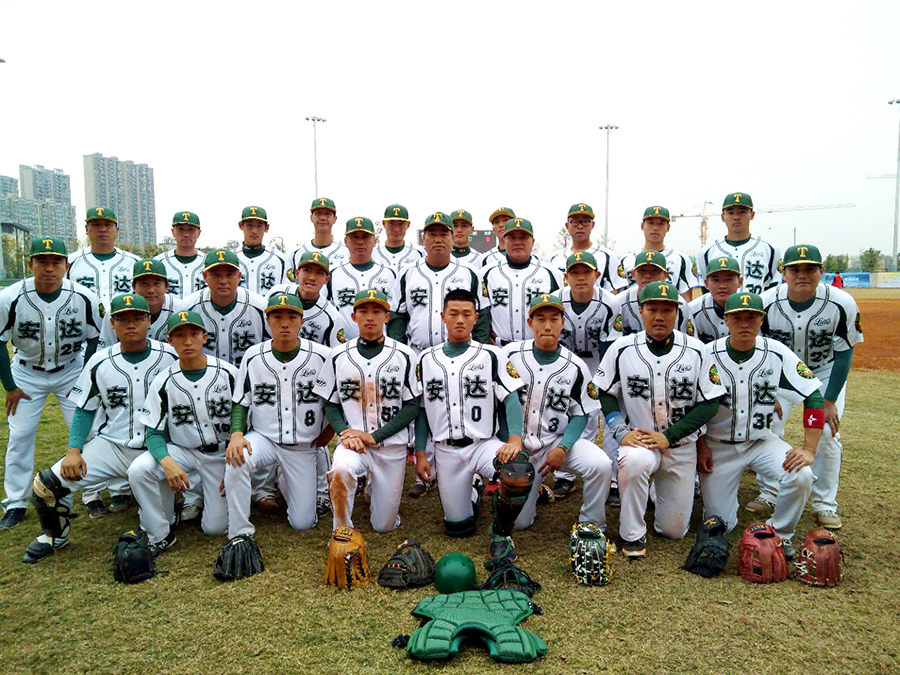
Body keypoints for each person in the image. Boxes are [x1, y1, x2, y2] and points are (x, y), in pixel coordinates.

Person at [20, 293, 176, 561]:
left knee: (165, 523)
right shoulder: (99, 360)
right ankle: (55, 535)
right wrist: (74, 450)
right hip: (112, 446)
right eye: (123, 319)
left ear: (149, 320)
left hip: (157, 451)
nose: (131, 324)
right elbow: (85, 409)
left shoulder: (170, 355)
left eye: (138, 318)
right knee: (46, 486)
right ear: (112, 323)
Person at [594, 282, 726, 558]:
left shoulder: (697, 350)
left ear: (677, 313)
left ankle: (656, 492)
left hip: (681, 446)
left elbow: (710, 402)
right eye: (652, 309)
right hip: (640, 441)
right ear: (640, 311)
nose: (659, 316)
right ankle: (632, 535)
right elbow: (604, 391)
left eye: (667, 310)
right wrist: (619, 430)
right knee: (633, 463)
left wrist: (670, 436)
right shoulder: (622, 348)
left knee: (673, 530)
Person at [698, 291, 824, 558]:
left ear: (761, 320)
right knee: (721, 524)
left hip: (761, 442)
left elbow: (812, 394)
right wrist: (700, 445)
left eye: (752, 317)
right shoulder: (707, 354)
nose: (745, 323)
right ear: (726, 320)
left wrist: (809, 449)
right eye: (737, 317)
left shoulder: (776, 352)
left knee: (801, 474)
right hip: (717, 446)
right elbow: (690, 406)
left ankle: (780, 534)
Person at [748, 245, 863, 530]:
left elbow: (844, 353)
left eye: (809, 268)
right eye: (795, 269)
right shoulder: (766, 302)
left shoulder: (841, 302)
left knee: (826, 432)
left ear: (821, 271)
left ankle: (824, 503)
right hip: (781, 375)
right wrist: (768, 391)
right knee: (767, 425)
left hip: (823, 373)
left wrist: (829, 400)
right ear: (783, 272)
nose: (802, 275)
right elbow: (758, 350)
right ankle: (771, 491)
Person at [415, 289, 528, 564]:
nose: (460, 320)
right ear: (442, 316)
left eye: (466, 314)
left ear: (476, 318)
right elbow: (421, 409)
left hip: (482, 444)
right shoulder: (425, 359)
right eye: (453, 313)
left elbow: (511, 397)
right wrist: (420, 453)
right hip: (445, 450)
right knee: (458, 528)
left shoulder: (492, 355)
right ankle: (475, 492)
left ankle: (502, 533)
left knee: (518, 470)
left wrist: (514, 438)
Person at [0, 238, 104, 530]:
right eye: (42, 261)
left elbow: (95, 338)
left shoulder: (83, 297)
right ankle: (16, 501)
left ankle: (92, 493)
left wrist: (83, 381)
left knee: (87, 433)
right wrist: (10, 386)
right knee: (20, 435)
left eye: (56, 262)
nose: (49, 268)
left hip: (71, 369)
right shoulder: (10, 297)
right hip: (26, 372)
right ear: (30, 264)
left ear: (66, 265)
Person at [389, 211, 488, 497]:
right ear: (424, 239)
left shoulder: (468, 272)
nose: (438, 239)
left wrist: (481, 350)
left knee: (462, 406)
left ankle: (472, 472)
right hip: (419, 352)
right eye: (432, 234)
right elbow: (398, 316)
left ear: (452, 237)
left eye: (443, 233)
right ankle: (426, 473)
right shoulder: (408, 273)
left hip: (461, 352)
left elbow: (482, 315)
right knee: (426, 407)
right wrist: (399, 352)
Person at [223, 293, 333, 541]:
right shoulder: (253, 355)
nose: (284, 323)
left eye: (291, 317)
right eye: (277, 317)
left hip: (302, 446)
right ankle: (239, 531)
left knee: (302, 523)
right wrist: (237, 434)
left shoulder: (322, 355)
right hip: (264, 439)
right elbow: (241, 401)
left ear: (301, 321)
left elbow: (335, 400)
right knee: (237, 459)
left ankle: (285, 481)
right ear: (268, 321)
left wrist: (330, 431)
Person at [127, 311, 238, 553]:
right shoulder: (163, 381)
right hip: (184, 452)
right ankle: (159, 532)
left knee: (215, 528)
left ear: (205, 337)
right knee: (138, 470)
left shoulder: (229, 372)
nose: (187, 341)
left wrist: (233, 471)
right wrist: (167, 462)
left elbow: (245, 421)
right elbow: (153, 433)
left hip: (221, 455)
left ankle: (200, 497)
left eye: (194, 334)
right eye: (180, 336)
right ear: (169, 341)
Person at [502, 294, 612, 531]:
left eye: (554, 319)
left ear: (563, 323)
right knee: (519, 524)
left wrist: (563, 448)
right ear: (530, 323)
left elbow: (582, 412)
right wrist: (508, 439)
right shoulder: (510, 355)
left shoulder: (576, 365)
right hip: (518, 445)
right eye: (540, 319)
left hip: (554, 442)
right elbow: (499, 400)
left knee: (601, 464)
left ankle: (592, 523)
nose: (547, 326)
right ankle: (533, 489)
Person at [315, 290, 420, 532]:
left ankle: (375, 491)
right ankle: (342, 530)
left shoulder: (405, 355)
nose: (369, 317)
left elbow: (412, 405)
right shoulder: (338, 355)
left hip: (391, 445)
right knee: (340, 470)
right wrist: (344, 433)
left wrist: (375, 436)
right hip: (354, 444)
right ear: (354, 316)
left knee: (384, 526)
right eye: (363, 311)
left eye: (376, 311)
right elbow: (330, 402)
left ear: (387, 316)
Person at [176, 248, 269, 520]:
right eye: (216, 274)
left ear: (239, 275)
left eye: (229, 273)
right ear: (205, 277)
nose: (223, 280)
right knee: (199, 435)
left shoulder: (259, 305)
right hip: (201, 381)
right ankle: (194, 495)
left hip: (249, 380)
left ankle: (262, 490)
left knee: (257, 430)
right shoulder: (188, 307)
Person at [268, 251, 346, 517]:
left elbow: (336, 359)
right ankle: (277, 487)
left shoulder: (331, 315)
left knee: (314, 437)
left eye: (318, 272)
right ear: (296, 273)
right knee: (278, 432)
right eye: (307, 270)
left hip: (313, 382)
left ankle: (322, 492)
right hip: (279, 374)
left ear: (326, 279)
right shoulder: (278, 297)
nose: (311, 277)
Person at [552, 252, 618, 502]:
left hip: (597, 361)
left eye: (586, 272)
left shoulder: (610, 303)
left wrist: (601, 380)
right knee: (563, 414)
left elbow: (609, 346)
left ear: (597, 275)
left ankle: (610, 478)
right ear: (566, 276)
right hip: (565, 362)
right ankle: (564, 477)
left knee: (599, 419)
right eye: (575, 272)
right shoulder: (556, 299)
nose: (580, 277)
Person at [480, 218, 562, 346]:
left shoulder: (551, 273)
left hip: (538, 348)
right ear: (504, 241)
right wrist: (485, 343)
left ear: (533, 242)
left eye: (523, 237)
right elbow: (482, 312)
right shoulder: (487, 273)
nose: (517, 242)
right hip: (500, 348)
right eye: (512, 237)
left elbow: (562, 313)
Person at [326, 217, 399, 341]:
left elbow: (396, 313)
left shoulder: (390, 273)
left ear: (374, 241)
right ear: (346, 241)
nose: (360, 242)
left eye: (365, 237)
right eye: (354, 237)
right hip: (342, 345)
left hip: (382, 345)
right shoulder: (333, 273)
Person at [697, 192, 781, 295]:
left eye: (742, 212)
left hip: (758, 305)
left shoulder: (770, 249)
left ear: (752, 215)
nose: (736, 217)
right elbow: (706, 290)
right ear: (723, 217)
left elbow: (773, 289)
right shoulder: (706, 252)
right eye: (730, 213)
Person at [618, 206, 697, 301]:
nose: (655, 228)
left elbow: (686, 299)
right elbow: (618, 297)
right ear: (642, 226)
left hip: (666, 308)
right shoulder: (626, 260)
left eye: (661, 224)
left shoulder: (680, 259)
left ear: (668, 227)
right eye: (651, 223)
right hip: (632, 309)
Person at [610, 251, 694, 337]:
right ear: (633, 274)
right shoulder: (619, 302)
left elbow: (689, 340)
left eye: (655, 271)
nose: (647, 276)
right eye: (642, 271)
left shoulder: (680, 303)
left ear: (665, 275)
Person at [67, 207, 139, 305]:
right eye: (96, 225)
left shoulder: (135, 262)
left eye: (108, 225)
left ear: (117, 230)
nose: (102, 229)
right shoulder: (70, 262)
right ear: (87, 229)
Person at [547, 203, 625, 294]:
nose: (580, 226)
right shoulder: (556, 258)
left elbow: (615, 290)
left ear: (592, 225)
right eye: (575, 222)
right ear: (567, 226)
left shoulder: (607, 256)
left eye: (585, 221)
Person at [100, 259, 176, 346]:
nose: (151, 290)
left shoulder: (180, 309)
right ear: (133, 286)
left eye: (156, 284)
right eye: (144, 284)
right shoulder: (117, 310)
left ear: (166, 287)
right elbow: (105, 349)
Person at [233, 206, 288, 295]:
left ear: (266, 227)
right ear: (241, 226)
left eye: (259, 226)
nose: (254, 231)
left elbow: (288, 292)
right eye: (249, 225)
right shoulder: (231, 258)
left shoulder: (280, 259)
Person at [688, 256, 743, 344]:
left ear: (740, 282)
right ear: (706, 283)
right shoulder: (692, 309)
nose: (722, 286)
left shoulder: (751, 308)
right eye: (716, 280)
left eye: (728, 279)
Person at [289, 198, 349, 278]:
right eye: (318, 213)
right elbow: (290, 282)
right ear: (311, 217)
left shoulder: (346, 251)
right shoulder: (297, 253)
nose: (323, 218)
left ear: (335, 219)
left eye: (327, 214)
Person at [154, 211, 206, 298]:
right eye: (181, 229)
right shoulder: (158, 263)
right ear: (173, 232)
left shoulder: (209, 263)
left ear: (199, 233)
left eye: (191, 230)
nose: (186, 235)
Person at [372, 204, 425, 270]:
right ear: (384, 223)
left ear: (408, 225)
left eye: (401, 224)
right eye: (391, 223)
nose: (396, 229)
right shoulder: (372, 253)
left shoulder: (420, 253)